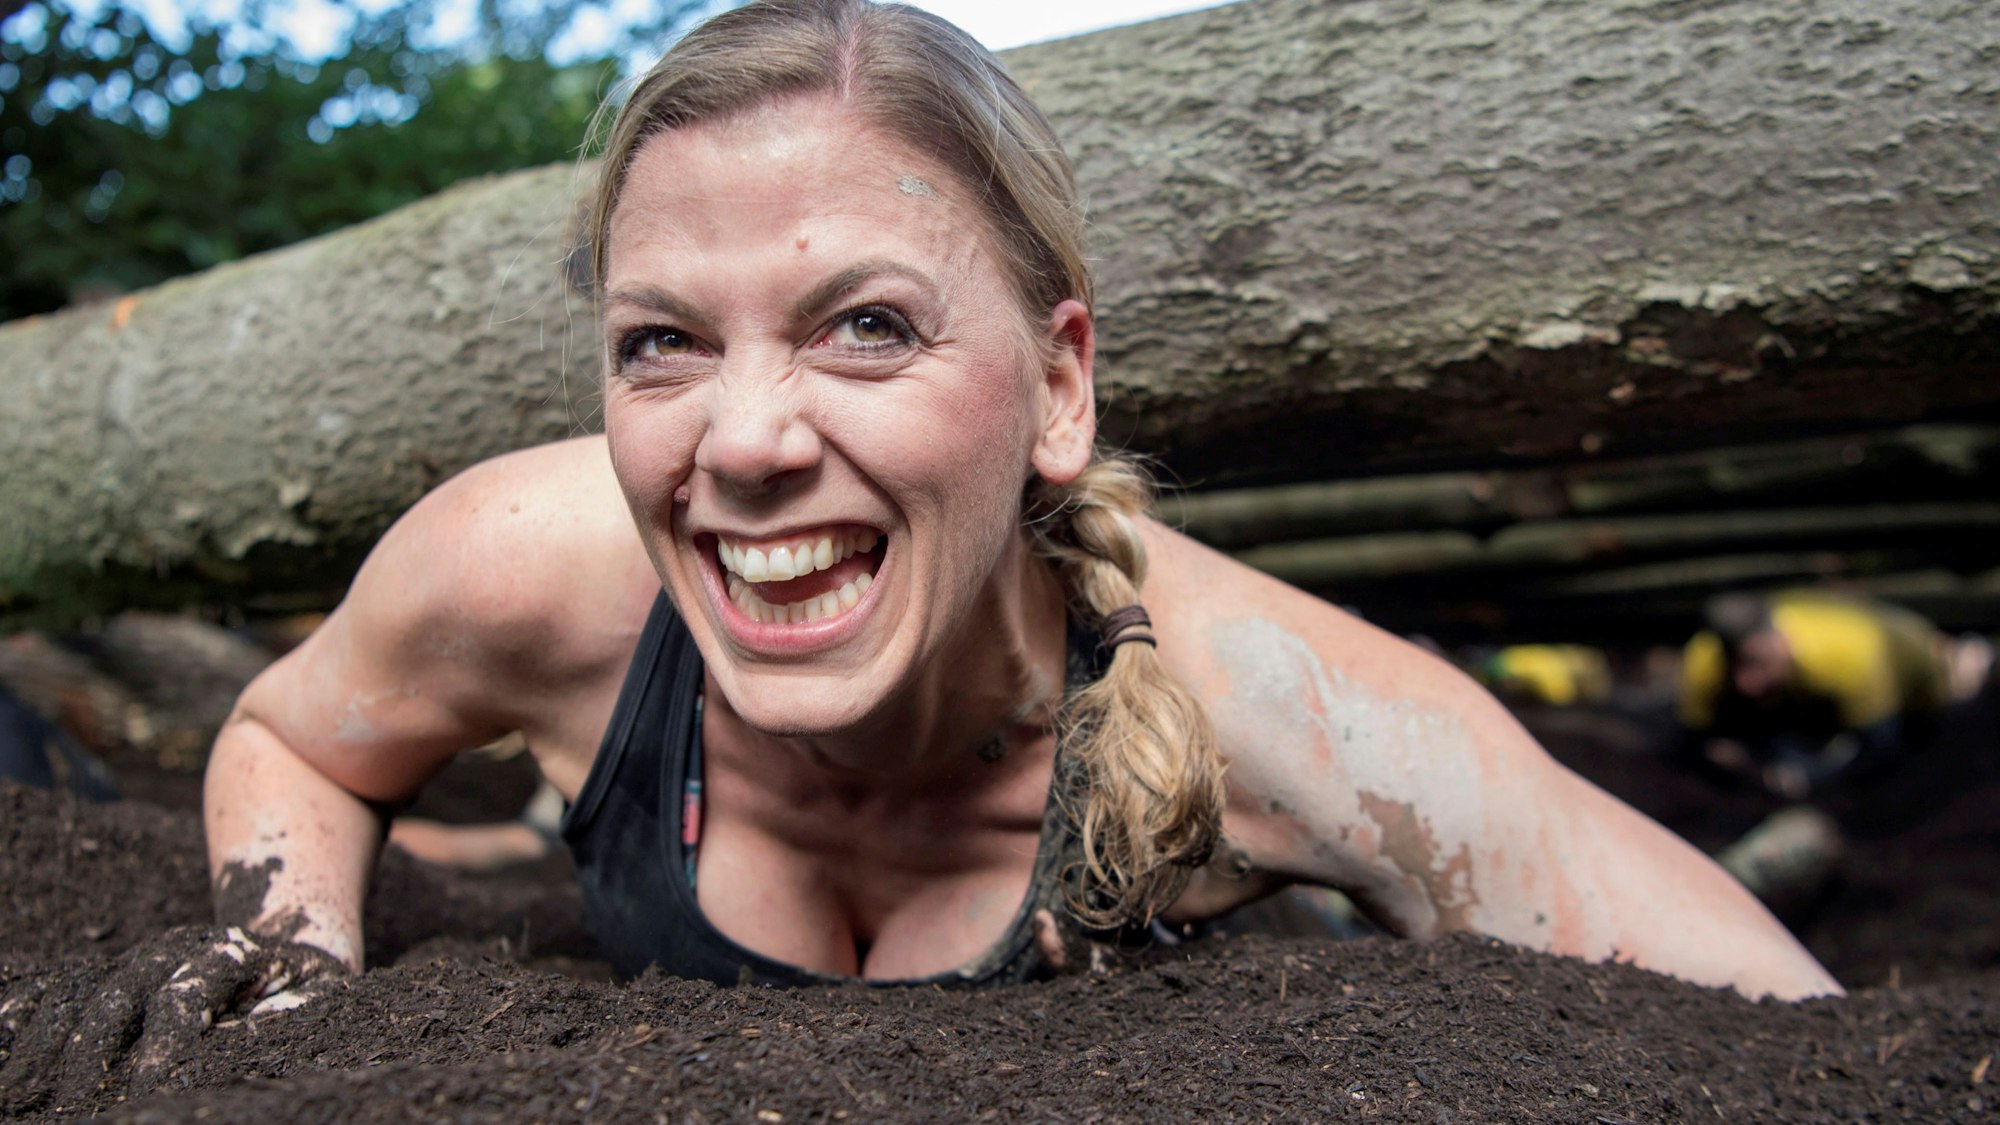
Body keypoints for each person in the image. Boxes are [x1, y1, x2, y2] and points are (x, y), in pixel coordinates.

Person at [203, 0, 1839, 1002]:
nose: (751, 437)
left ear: (1060, 387)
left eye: (868, 326)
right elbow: (293, 738)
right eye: (662, 344)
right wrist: (289, 1002)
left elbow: (1787, 1042)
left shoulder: (1284, 714)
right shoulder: (520, 572)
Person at [1680, 589, 1951, 799]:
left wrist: (1812, 778)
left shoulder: (1849, 658)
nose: (1745, 683)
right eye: (1734, 667)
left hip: (1914, 670)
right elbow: (1698, 735)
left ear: (1784, 644)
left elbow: (1879, 741)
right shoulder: (1705, 658)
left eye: (1757, 663)